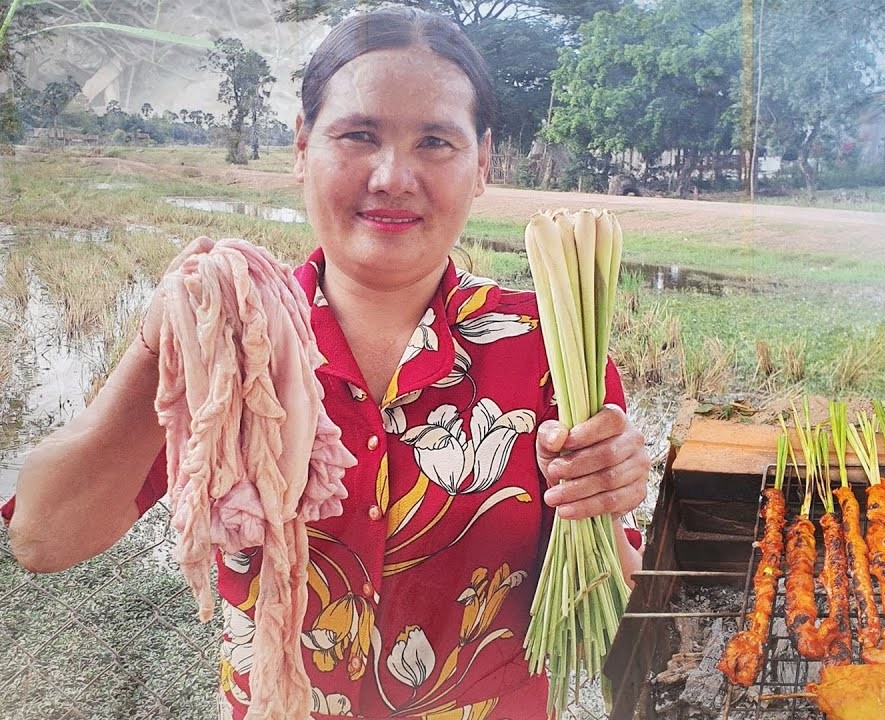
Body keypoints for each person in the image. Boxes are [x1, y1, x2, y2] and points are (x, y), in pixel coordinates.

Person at [3, 8, 649, 719]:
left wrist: (605, 498)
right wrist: (163, 343)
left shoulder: (551, 348)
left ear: (483, 163)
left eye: (434, 141)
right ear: (303, 147)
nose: (392, 176)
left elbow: (614, 617)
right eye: (358, 135)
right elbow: (42, 537)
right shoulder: (236, 342)